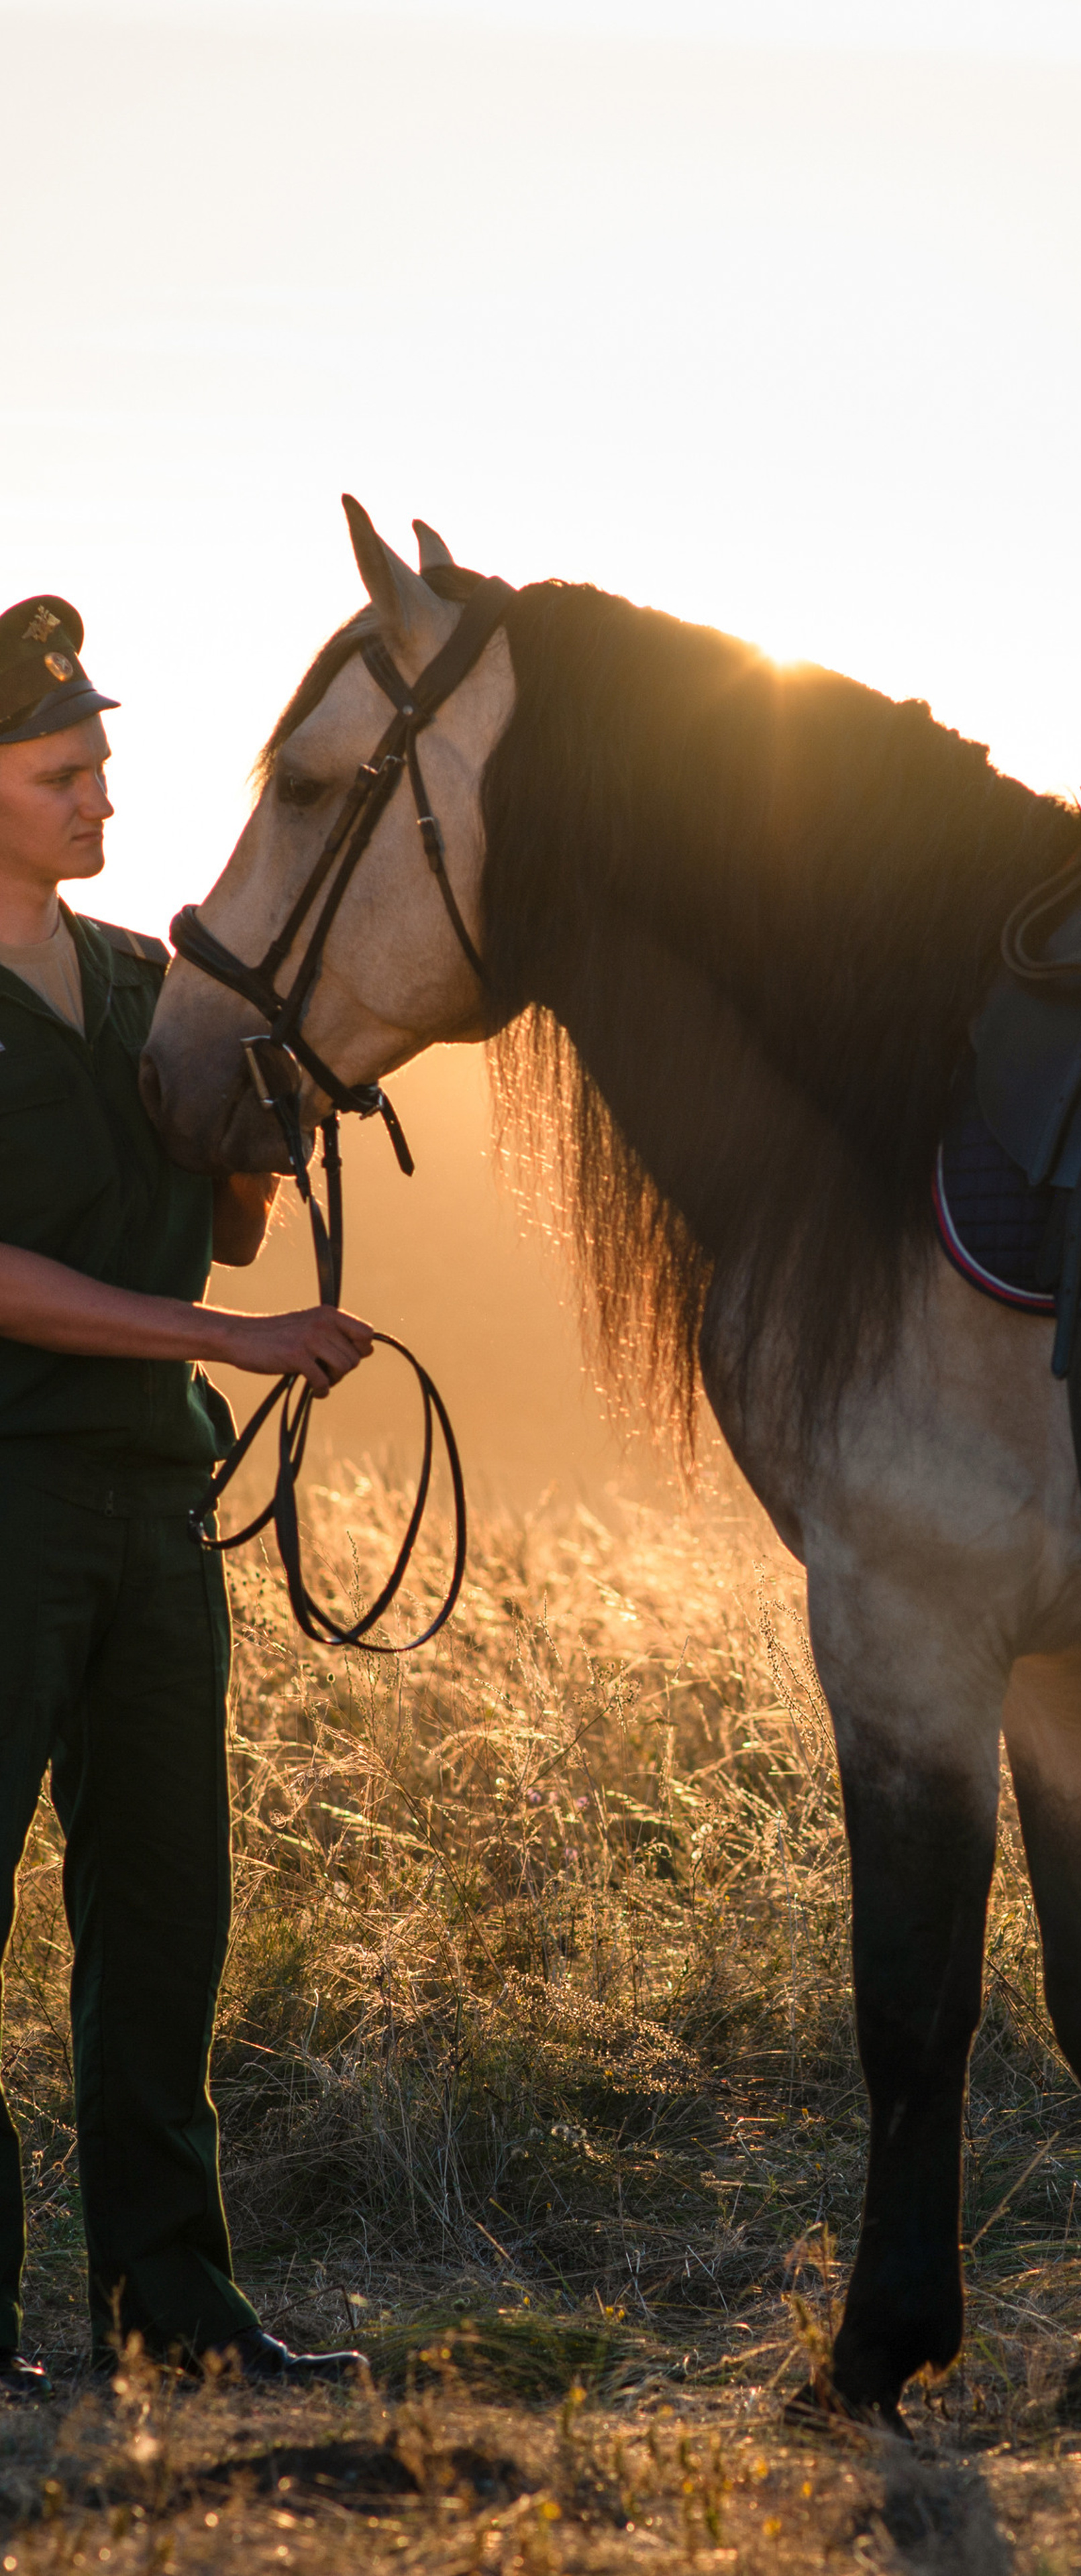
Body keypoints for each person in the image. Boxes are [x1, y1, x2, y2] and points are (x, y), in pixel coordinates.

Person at [0, 594, 375, 2396]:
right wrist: (232, 1334)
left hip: (154, 1508)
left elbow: (226, 1210)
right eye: (63, 774)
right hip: (1, 1502)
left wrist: (261, 1131)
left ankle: (175, 2313)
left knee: (164, 1918)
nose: (101, 801)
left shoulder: (156, 989)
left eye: (102, 768)